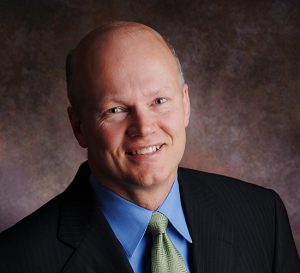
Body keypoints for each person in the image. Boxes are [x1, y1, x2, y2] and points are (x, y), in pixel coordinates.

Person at [0, 21, 299, 273]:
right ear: (79, 126)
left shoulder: (262, 216)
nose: (144, 127)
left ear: (185, 105)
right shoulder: (16, 259)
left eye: (159, 101)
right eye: (116, 110)